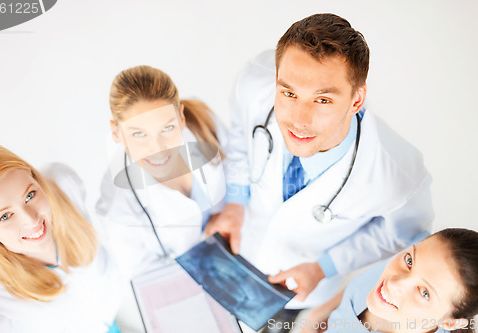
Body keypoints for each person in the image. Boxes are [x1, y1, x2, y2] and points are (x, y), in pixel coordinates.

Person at [205, 13, 433, 331]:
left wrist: (325, 267)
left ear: (357, 99)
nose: (300, 119)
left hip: (296, 293)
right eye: (289, 93)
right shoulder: (254, 82)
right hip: (229, 256)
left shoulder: (397, 174)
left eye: (322, 99)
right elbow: (240, 135)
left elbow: (399, 236)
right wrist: (235, 200)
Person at [96, 65, 227, 278]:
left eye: (167, 128)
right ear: (116, 133)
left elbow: (240, 172)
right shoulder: (118, 208)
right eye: (139, 134)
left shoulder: (202, 122)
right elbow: (148, 282)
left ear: (181, 118)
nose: (158, 148)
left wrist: (228, 211)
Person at [0, 144, 123, 333]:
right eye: (5, 216)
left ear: (37, 180)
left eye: (30, 195)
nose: (32, 220)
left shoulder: (64, 185)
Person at [298, 228, 478, 333]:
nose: (393, 283)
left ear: (450, 322)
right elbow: (357, 289)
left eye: (424, 293)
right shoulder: (415, 252)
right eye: (409, 261)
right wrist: (316, 316)